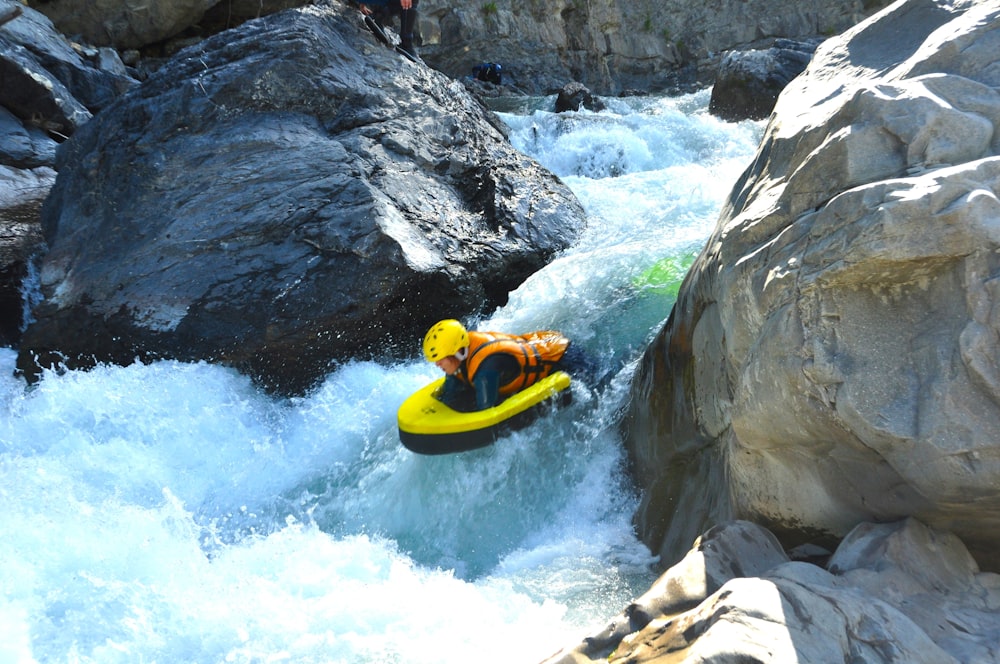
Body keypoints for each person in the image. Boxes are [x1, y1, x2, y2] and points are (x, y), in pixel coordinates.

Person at [422, 319, 595, 411]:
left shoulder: (486, 368)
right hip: (545, 343)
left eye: (441, 359)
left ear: (456, 351)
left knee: (599, 390)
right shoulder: (459, 356)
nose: (437, 364)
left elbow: (486, 412)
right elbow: (449, 393)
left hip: (565, 359)